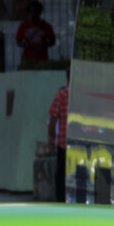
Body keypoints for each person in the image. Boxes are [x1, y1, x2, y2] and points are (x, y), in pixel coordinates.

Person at [46, 73, 69, 202]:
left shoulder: (62, 94)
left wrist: (50, 138)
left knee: (61, 175)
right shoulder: (82, 94)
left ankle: (61, 202)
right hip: (80, 144)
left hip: (63, 143)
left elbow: (53, 118)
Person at [16, 0, 56, 65]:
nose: (34, 13)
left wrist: (43, 45)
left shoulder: (45, 26)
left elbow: (52, 41)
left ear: (39, 12)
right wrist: (25, 45)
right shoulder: (23, 26)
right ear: (28, 12)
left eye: (36, 11)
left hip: (42, 59)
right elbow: (18, 40)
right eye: (32, 11)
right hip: (28, 58)